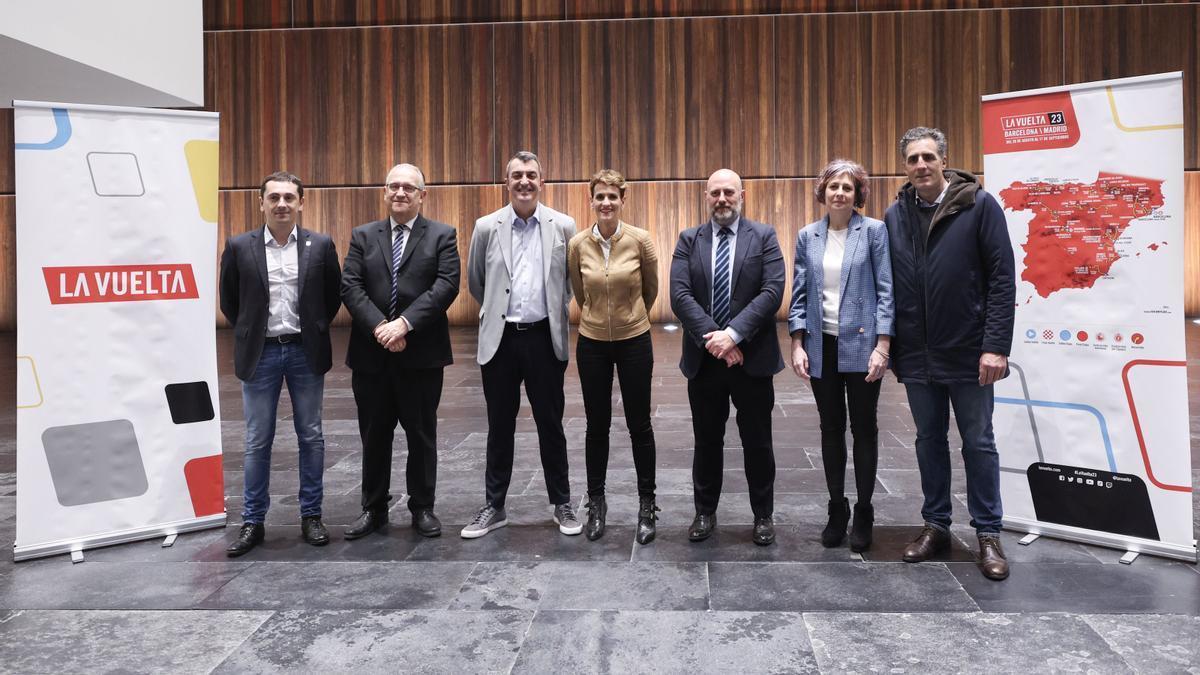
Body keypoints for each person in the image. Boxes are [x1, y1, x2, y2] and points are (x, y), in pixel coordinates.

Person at [884, 126, 1015, 581]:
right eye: (912, 159)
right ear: (905, 166)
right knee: (927, 441)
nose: (920, 165)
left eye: (928, 157)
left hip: (968, 352)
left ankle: (988, 534)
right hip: (918, 355)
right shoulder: (896, 214)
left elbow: (1002, 280)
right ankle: (936, 524)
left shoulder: (979, 205)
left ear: (945, 160)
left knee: (979, 442)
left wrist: (995, 346)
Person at [218, 171, 342, 557]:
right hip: (262, 353)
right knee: (257, 440)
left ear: (301, 203)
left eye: (289, 197)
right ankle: (253, 520)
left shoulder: (319, 245)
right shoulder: (239, 247)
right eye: (274, 197)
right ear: (261, 203)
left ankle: (312, 515)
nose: (282, 204)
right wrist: (252, 332)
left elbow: (332, 295)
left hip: (305, 351)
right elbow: (230, 301)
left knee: (312, 435)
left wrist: (316, 328)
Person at [462, 151, 581, 538]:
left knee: (551, 424)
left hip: (545, 340)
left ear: (542, 181)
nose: (524, 182)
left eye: (532, 175)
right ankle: (494, 507)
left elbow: (569, 283)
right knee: (499, 426)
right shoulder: (485, 227)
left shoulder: (564, 225)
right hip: (501, 341)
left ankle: (562, 504)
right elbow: (478, 282)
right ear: (507, 182)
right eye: (517, 176)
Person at [340, 163, 460, 540]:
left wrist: (404, 324)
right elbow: (351, 286)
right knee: (374, 434)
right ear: (385, 191)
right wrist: (381, 327)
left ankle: (422, 507)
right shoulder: (363, 236)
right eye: (394, 186)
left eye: (409, 187)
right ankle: (373, 508)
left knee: (421, 434)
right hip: (372, 355)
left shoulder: (442, 235)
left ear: (422, 195)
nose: (400, 193)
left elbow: (446, 286)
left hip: (421, 355)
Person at [669, 168, 785, 546]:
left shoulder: (764, 236)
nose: (722, 199)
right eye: (715, 192)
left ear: (742, 195)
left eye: (729, 192)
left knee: (758, 441)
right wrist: (715, 341)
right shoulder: (689, 239)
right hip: (705, 361)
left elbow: (772, 291)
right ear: (706, 196)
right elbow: (680, 295)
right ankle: (704, 513)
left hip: (751, 359)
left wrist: (733, 335)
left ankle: (763, 516)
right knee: (706, 440)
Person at [788, 159, 893, 552]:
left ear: (858, 193)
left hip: (863, 345)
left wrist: (884, 346)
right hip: (821, 345)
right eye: (833, 186)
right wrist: (797, 342)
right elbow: (799, 294)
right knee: (830, 430)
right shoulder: (807, 236)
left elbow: (886, 290)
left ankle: (864, 510)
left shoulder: (875, 232)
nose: (840, 193)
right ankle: (837, 508)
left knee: (864, 429)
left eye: (847, 187)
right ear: (823, 191)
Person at [567, 169, 660, 544]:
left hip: (634, 339)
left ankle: (647, 504)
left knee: (639, 425)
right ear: (591, 201)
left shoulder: (641, 240)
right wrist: (597, 317)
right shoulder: (577, 245)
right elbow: (578, 290)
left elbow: (651, 290)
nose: (606, 203)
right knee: (596, 427)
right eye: (600, 197)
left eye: (612, 197)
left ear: (623, 200)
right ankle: (596, 503)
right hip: (591, 343)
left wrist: (631, 317)